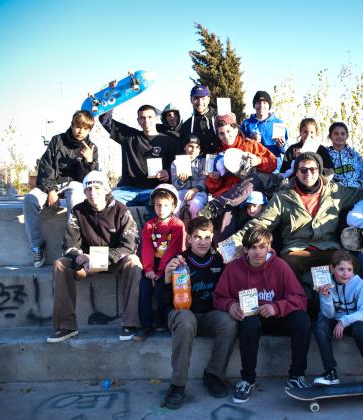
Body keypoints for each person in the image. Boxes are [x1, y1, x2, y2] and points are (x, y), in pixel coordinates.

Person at [227, 152, 363, 317]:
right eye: (303, 170)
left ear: (319, 170)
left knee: (351, 262)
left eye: (313, 169)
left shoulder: (335, 191)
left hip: (327, 247)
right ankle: (298, 306)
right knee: (287, 263)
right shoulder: (283, 197)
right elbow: (260, 223)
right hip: (297, 249)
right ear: (296, 172)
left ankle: (348, 308)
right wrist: (233, 242)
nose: (308, 174)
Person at [212, 226, 312, 403]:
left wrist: (278, 307)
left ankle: (297, 375)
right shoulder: (233, 268)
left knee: (302, 320)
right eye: (252, 247)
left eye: (262, 247)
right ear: (245, 249)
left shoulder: (280, 266)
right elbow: (218, 298)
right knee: (249, 324)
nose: (257, 252)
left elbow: (300, 298)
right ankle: (247, 379)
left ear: (269, 246)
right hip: (250, 319)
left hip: (276, 316)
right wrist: (230, 305)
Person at [46, 171, 142, 343]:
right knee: (60, 264)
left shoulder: (121, 210)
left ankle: (130, 323)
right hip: (86, 263)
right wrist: (78, 258)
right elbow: (68, 245)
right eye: (88, 189)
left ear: (106, 190)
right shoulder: (78, 211)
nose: (92, 193)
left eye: (97, 188)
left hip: (113, 261)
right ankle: (66, 326)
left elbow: (129, 245)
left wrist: (101, 259)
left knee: (134, 262)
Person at [159, 216, 237, 409]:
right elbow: (161, 301)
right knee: (185, 320)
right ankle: (178, 385)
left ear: (212, 238)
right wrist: (167, 278)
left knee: (229, 321)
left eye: (207, 237)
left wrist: (235, 261)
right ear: (189, 239)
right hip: (182, 315)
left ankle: (213, 374)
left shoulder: (220, 260)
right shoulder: (179, 262)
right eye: (197, 237)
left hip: (209, 315)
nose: (202, 242)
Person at [24, 110, 98, 267]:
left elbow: (89, 181)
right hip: (52, 184)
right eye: (78, 127)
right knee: (29, 199)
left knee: (77, 194)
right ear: (72, 125)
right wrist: (50, 190)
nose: (81, 131)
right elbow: (45, 167)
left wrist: (89, 162)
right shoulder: (57, 141)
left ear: (89, 130)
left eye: (85, 128)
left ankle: (73, 246)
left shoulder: (91, 148)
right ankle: (37, 246)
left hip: (74, 185)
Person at [313, 250, 363, 388]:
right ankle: (330, 372)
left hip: (353, 321)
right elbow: (329, 314)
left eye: (349, 269)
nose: (346, 273)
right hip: (334, 318)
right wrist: (326, 297)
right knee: (321, 325)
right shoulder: (324, 282)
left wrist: (344, 321)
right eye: (341, 269)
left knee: (361, 328)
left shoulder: (358, 283)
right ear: (332, 268)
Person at [201, 112, 280, 243]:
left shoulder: (250, 145)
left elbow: (273, 162)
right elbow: (211, 186)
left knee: (252, 179)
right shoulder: (216, 154)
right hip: (231, 198)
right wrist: (215, 178)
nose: (226, 136)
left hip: (251, 190)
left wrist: (259, 160)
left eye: (228, 131)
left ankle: (215, 206)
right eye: (221, 133)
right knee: (226, 220)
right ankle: (226, 256)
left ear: (236, 128)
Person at [98, 104, 178, 207]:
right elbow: (105, 121)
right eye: (142, 118)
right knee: (108, 201)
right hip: (126, 190)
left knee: (163, 204)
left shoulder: (169, 141)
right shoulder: (129, 136)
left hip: (154, 190)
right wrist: (113, 101)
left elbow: (176, 168)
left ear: (157, 118)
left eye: (150, 117)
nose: (146, 121)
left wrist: (168, 174)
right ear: (138, 120)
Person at [135, 184, 186, 341]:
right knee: (144, 289)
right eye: (158, 205)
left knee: (164, 289)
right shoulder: (150, 226)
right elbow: (147, 249)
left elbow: (173, 249)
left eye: (165, 205)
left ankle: (165, 322)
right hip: (153, 265)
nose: (161, 208)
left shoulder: (177, 225)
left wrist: (160, 272)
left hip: (171, 263)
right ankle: (146, 326)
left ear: (173, 206)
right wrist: (149, 269)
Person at [240, 90, 289, 172]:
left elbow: (286, 151)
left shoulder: (279, 123)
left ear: (269, 105)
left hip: (274, 169)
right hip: (252, 168)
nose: (261, 106)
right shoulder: (246, 123)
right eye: (258, 103)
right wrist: (250, 141)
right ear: (254, 105)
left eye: (265, 103)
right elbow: (240, 147)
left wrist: (282, 146)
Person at [169, 135, 208, 218]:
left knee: (196, 205)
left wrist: (195, 189)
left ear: (199, 149)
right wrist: (181, 181)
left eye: (197, 147)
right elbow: (175, 184)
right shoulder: (176, 163)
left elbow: (204, 179)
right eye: (190, 146)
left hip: (199, 192)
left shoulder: (203, 162)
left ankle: (195, 228)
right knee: (173, 206)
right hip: (182, 192)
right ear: (185, 147)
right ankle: (176, 229)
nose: (193, 150)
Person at [179, 84, 221, 155]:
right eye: (196, 98)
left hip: (219, 163)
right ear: (191, 100)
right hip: (196, 164)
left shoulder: (220, 118)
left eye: (203, 98)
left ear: (208, 99)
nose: (200, 102)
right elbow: (183, 149)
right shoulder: (186, 126)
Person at [327, 122, 363, 189]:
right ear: (330, 136)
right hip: (336, 191)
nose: (339, 136)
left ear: (347, 136)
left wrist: (360, 184)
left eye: (342, 134)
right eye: (336, 133)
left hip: (356, 190)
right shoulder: (326, 154)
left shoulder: (354, 155)